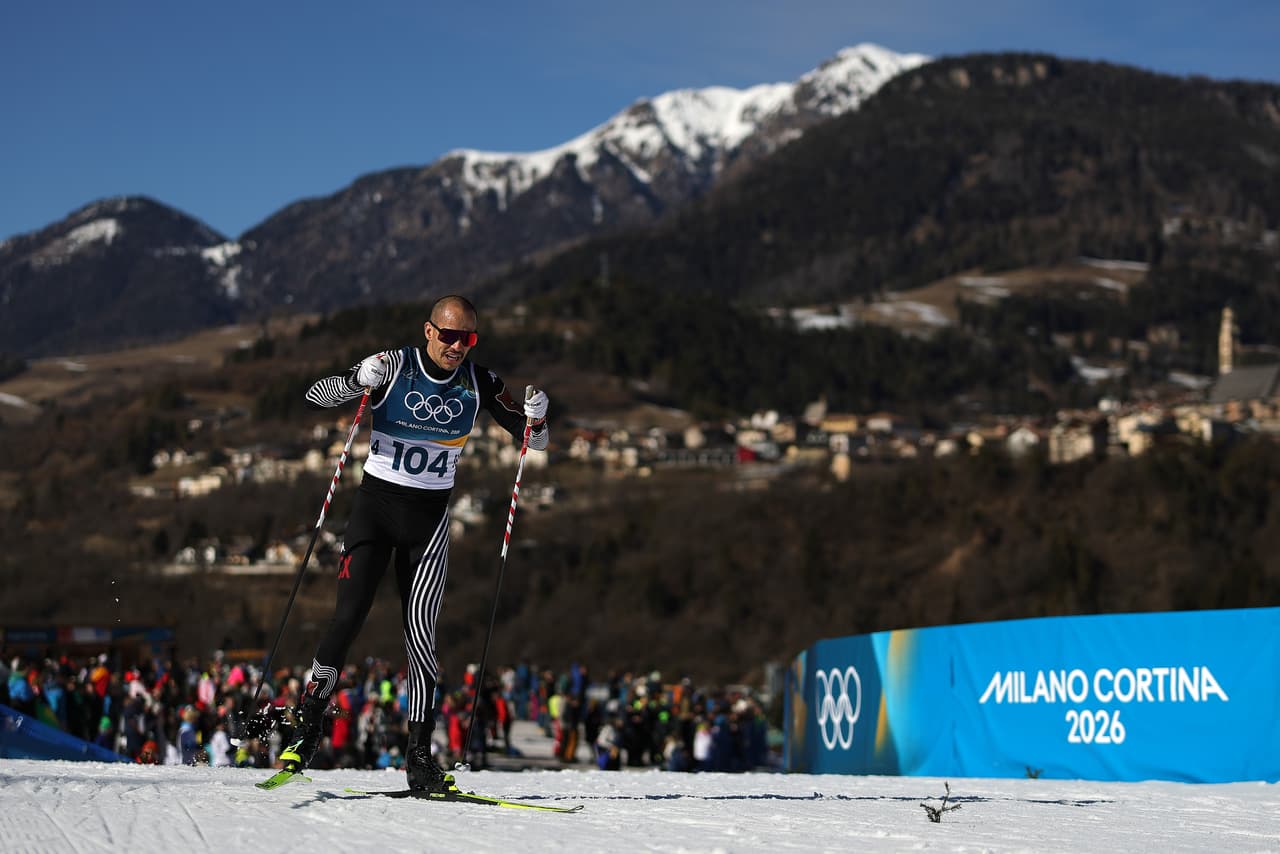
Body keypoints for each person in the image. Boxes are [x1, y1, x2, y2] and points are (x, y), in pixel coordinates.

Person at [279, 295, 550, 794]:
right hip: (374, 514)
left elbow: (534, 441)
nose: (456, 347)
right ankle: (309, 722)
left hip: (428, 524)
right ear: (429, 331)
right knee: (347, 619)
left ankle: (420, 757)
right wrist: (355, 381)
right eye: (448, 335)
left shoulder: (480, 382)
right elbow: (316, 396)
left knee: (421, 638)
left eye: (467, 338)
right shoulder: (394, 366)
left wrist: (538, 417)